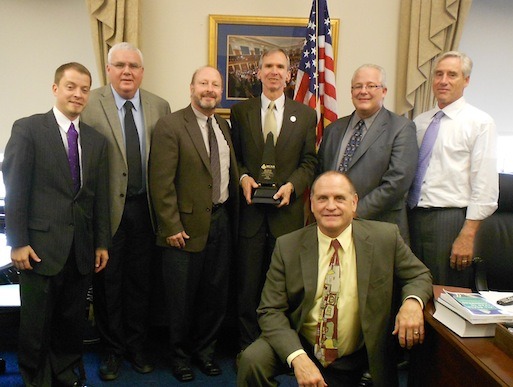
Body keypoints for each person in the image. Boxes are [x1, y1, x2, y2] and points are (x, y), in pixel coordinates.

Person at [238, 171, 433, 387]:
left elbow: (419, 274)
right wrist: (298, 358)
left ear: (354, 203)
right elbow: (270, 310)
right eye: (322, 198)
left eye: (339, 198)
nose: (331, 206)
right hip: (304, 342)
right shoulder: (288, 246)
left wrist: (412, 303)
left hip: (358, 351)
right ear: (311, 204)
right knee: (252, 359)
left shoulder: (384, 238)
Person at [2, 62, 111, 387]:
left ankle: (65, 375)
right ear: (55, 89)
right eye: (70, 87)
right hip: (37, 248)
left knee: (70, 321)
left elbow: (98, 197)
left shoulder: (96, 140)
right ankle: (36, 379)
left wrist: (101, 242)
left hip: (80, 248)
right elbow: (16, 188)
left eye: (83, 89)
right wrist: (17, 241)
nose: (77, 94)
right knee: (35, 325)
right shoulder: (28, 129)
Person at [80, 42, 171, 380]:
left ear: (142, 72)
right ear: (108, 69)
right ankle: (112, 351)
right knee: (108, 285)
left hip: (145, 210)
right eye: (119, 65)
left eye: (133, 65)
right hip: (106, 212)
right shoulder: (90, 103)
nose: (127, 71)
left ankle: (137, 346)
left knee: (141, 284)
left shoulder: (160, 106)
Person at [149, 66, 239, 382]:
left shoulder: (224, 126)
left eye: (215, 84)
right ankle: (180, 357)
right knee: (180, 299)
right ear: (191, 87)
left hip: (220, 222)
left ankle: (205, 353)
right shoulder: (170, 125)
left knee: (214, 297)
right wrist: (170, 225)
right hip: (183, 228)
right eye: (203, 83)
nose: (209, 89)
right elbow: (160, 183)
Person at [230, 48, 318, 354]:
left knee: (284, 288)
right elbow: (235, 158)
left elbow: (309, 162)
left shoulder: (306, 114)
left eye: (281, 66)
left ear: (289, 74)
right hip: (251, 216)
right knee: (248, 287)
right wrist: (243, 178)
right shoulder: (241, 112)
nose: (274, 72)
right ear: (258, 72)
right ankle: (247, 349)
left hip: (287, 216)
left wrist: (293, 185)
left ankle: (283, 351)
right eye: (268, 66)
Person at [407, 51, 498, 288]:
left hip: (449, 221)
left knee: (445, 295)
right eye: (438, 74)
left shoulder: (479, 122)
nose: (443, 80)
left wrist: (467, 235)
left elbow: (485, 185)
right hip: (412, 216)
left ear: (466, 80)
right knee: (412, 289)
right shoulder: (420, 121)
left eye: (452, 74)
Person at [318, 64, 418, 243]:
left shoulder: (401, 128)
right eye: (358, 86)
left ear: (384, 91)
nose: (363, 91)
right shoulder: (334, 129)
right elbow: (321, 173)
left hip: (379, 229)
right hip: (333, 229)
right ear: (351, 91)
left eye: (371, 86)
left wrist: (352, 212)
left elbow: (397, 183)